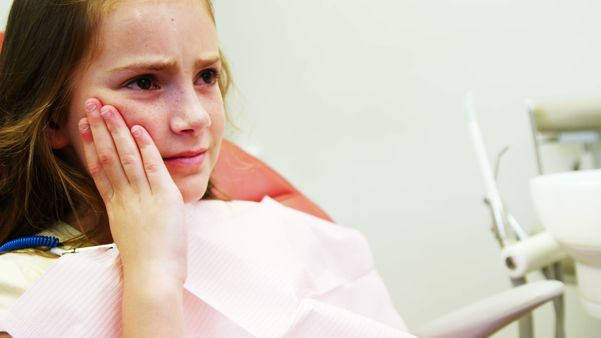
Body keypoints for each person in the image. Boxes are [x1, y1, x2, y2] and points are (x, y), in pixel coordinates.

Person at [0, 0, 408, 337]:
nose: (195, 117)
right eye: (145, 81)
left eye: (206, 76)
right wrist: (151, 276)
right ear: (52, 116)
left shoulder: (271, 229)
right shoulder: (18, 293)